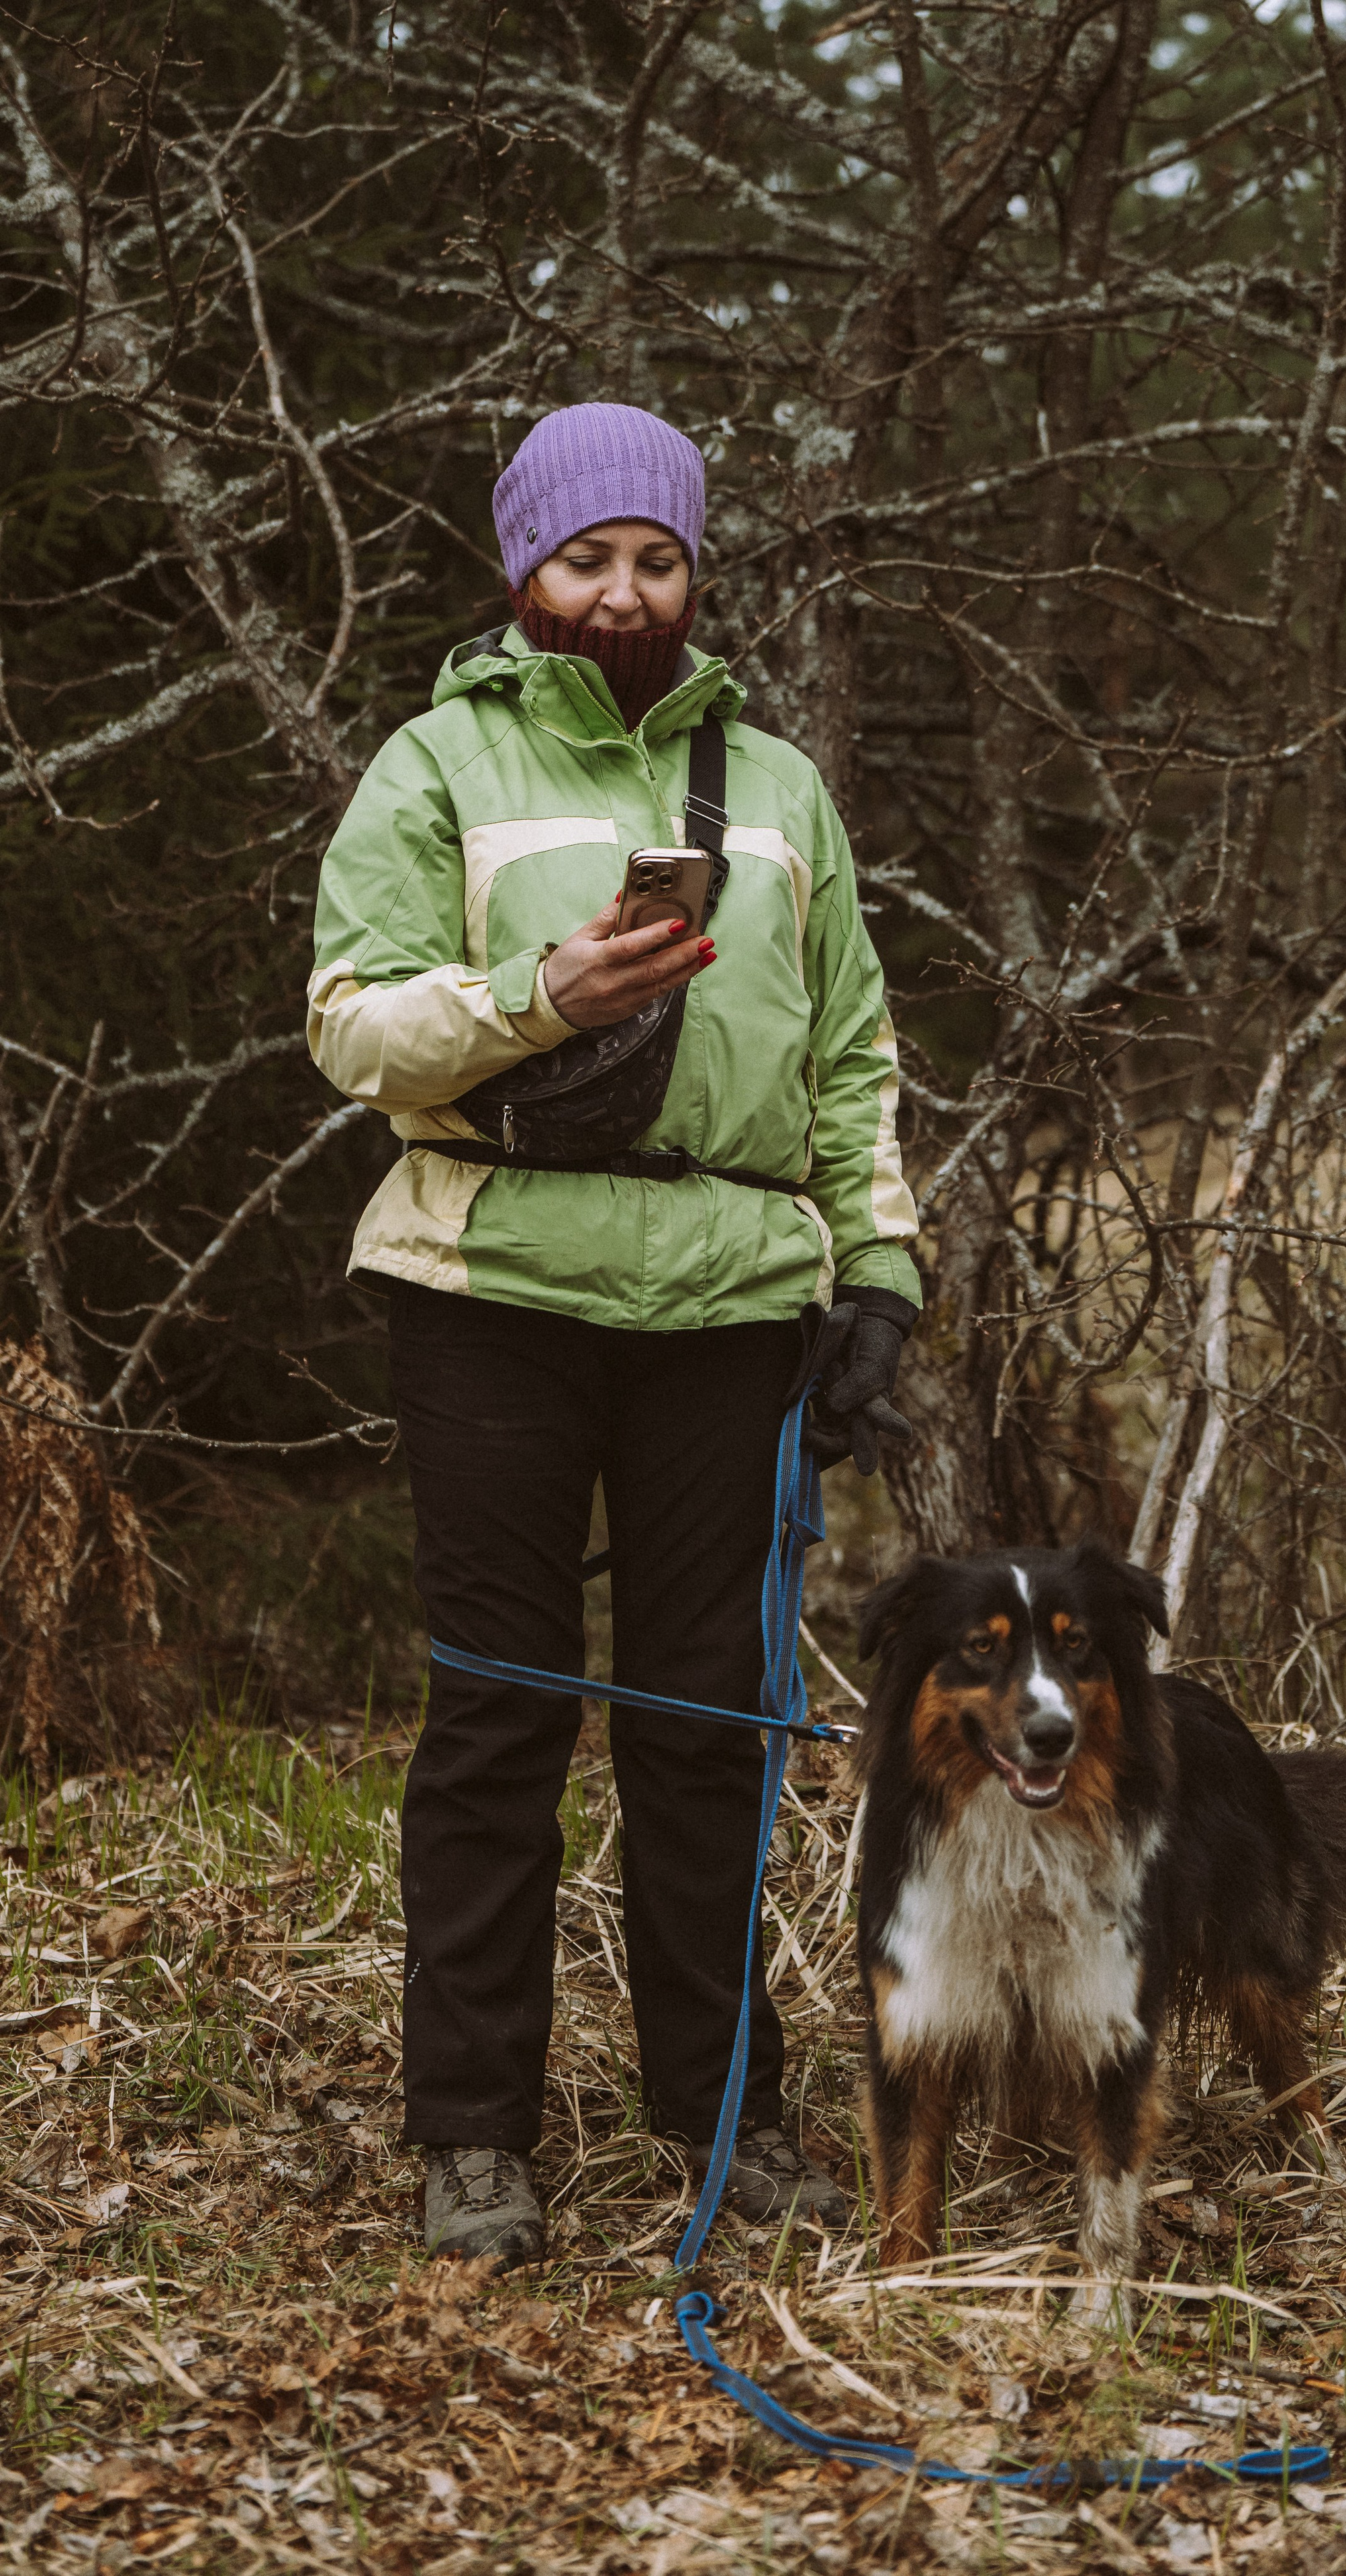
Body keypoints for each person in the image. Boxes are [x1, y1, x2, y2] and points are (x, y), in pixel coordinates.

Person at [307, 402, 920, 2265]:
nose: (627, 593)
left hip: (730, 1306)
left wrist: (878, 1272)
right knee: (497, 1717)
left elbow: (852, 1052)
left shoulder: (778, 786)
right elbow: (352, 1024)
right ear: (527, 570)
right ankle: (471, 2136)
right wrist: (539, 992)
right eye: (590, 559)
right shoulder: (437, 763)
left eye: (659, 559)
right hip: (489, 1289)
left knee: (706, 1726)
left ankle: (726, 2117)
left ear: (694, 574)